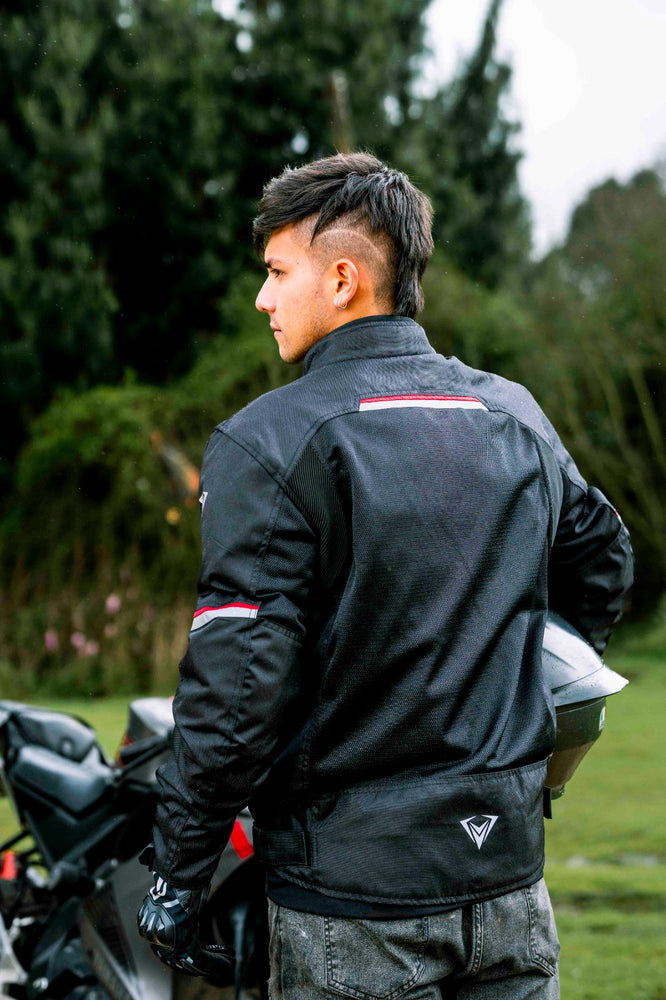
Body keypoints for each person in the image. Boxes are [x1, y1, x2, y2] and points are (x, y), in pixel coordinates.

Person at [137, 152, 633, 998]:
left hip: (352, 909)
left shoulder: (272, 440)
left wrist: (177, 880)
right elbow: (602, 560)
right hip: (509, 887)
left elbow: (237, 691)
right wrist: (511, 714)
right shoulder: (512, 414)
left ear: (342, 280)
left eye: (276, 272)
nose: (262, 299)